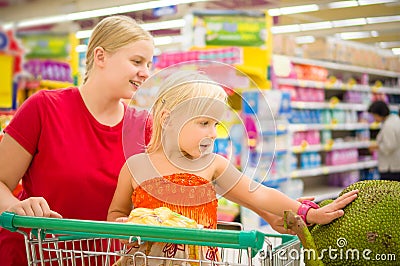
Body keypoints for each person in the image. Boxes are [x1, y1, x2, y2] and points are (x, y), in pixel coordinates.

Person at [107, 70, 358, 264]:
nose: (213, 133)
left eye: (216, 124)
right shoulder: (135, 166)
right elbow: (115, 213)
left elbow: (258, 193)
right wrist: (121, 224)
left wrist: (303, 212)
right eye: (204, 123)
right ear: (168, 119)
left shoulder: (212, 165)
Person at [0, 15, 154, 265]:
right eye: (137, 61)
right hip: (33, 255)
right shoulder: (44, 108)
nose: (145, 72)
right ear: (100, 56)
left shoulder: (144, 126)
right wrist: (15, 207)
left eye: (149, 63)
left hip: (107, 260)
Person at [368, 100, 400, 181]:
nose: (374, 118)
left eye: (374, 115)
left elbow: (389, 146)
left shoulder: (388, 126)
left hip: (391, 167)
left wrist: (376, 147)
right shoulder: (396, 120)